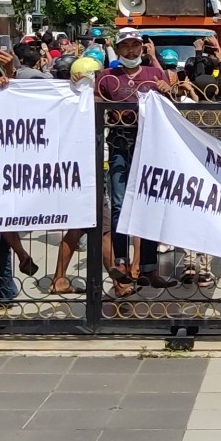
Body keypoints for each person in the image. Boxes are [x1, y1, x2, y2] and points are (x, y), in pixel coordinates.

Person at [97, 28, 176, 288]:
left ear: (142, 48)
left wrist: (167, 90)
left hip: (150, 148)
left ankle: (148, 268)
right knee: (119, 205)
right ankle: (121, 260)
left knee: (150, 204)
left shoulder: (155, 74)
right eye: (126, 46)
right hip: (120, 145)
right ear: (118, 50)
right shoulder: (107, 77)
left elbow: (171, 106)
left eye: (135, 46)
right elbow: (92, 100)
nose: (131, 51)